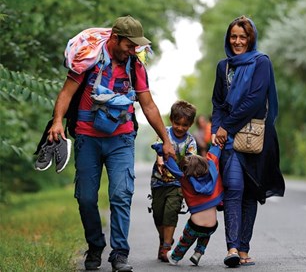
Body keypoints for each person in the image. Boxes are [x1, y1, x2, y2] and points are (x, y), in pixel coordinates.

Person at [46, 16, 176, 271]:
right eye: (130, 45)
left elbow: (148, 105)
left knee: (120, 195)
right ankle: (95, 246)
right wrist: (58, 121)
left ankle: (119, 254)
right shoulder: (88, 59)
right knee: (85, 198)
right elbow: (66, 93)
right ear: (115, 39)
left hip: (121, 138)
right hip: (87, 137)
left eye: (136, 46)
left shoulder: (135, 66)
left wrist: (166, 139)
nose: (134, 50)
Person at [210, 15, 285, 267]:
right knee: (233, 188)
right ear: (228, 38)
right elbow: (218, 102)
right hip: (229, 138)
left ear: (251, 38)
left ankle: (244, 249)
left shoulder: (261, 62)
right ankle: (232, 249)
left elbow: (254, 99)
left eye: (243, 37)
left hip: (253, 136)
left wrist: (226, 126)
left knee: (249, 193)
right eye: (233, 36)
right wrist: (215, 129)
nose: (238, 41)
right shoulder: (224, 67)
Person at [151, 144, 223, 266]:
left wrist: (160, 149)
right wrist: (217, 145)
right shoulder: (213, 174)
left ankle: (175, 257)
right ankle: (198, 253)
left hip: (194, 226)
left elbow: (172, 166)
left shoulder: (185, 179)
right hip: (212, 225)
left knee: (185, 242)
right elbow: (214, 156)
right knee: (205, 234)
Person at [150, 100, 198, 262]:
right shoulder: (165, 133)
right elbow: (159, 148)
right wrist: (161, 160)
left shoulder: (190, 142)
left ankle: (166, 247)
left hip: (178, 183)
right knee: (158, 214)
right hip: (158, 181)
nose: (180, 128)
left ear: (190, 125)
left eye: (185, 125)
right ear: (171, 120)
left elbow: (191, 161)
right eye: (177, 123)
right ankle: (165, 240)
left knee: (171, 212)